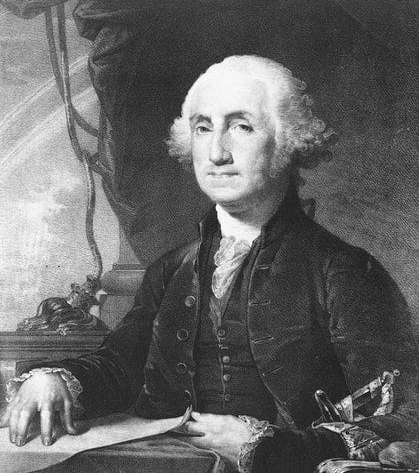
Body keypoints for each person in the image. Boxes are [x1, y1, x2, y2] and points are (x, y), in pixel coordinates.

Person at [1, 55, 417, 472]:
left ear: (288, 142)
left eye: (242, 127)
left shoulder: (344, 271)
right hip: (167, 458)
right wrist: (54, 379)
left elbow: (402, 417)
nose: (217, 153)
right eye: (203, 128)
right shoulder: (171, 269)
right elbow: (121, 364)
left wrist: (270, 446)